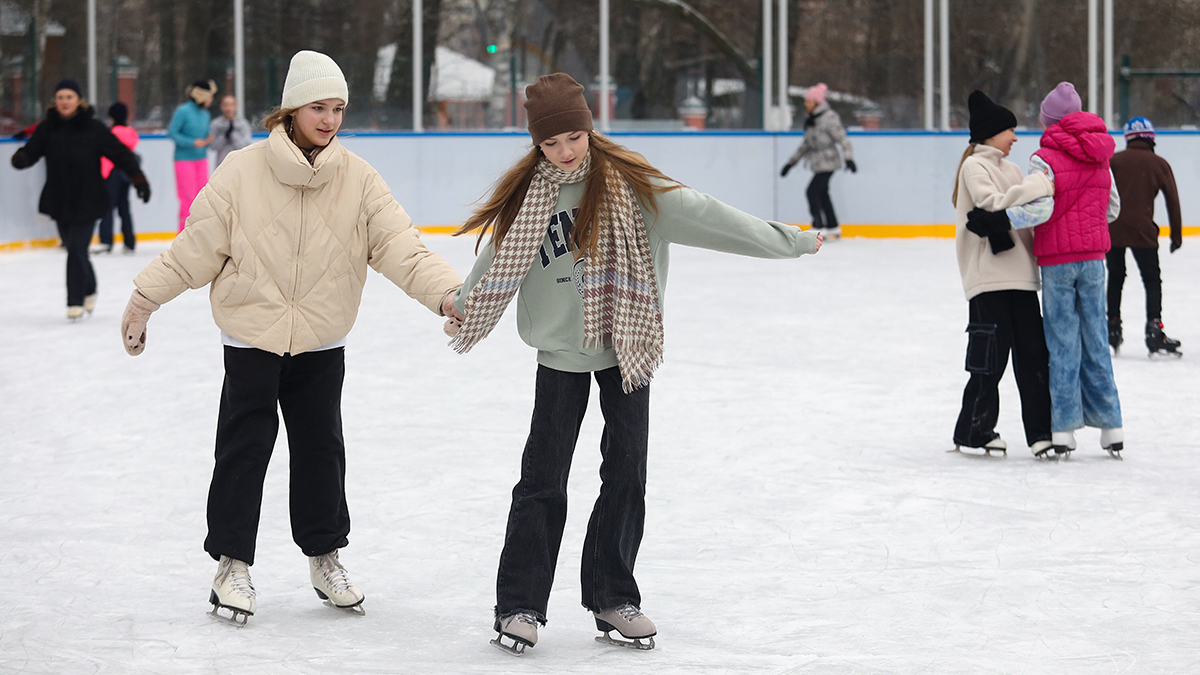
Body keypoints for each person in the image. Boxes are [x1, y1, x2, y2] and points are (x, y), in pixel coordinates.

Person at [446, 73, 822, 654]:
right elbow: (496, 263)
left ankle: (612, 596)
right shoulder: (529, 202)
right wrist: (464, 309)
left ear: (589, 128)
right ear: (537, 145)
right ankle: (519, 604)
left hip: (628, 346)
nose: (566, 152)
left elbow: (715, 219)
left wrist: (788, 239)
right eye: (551, 143)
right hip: (560, 356)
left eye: (574, 136)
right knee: (543, 478)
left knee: (626, 472)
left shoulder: (636, 191)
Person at [120, 50, 463, 625]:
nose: (330, 119)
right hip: (251, 333)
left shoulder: (358, 179)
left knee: (321, 450)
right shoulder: (241, 170)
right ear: (291, 108)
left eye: (338, 108)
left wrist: (448, 296)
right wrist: (144, 298)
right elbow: (195, 247)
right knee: (243, 448)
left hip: (321, 340)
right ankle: (232, 562)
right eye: (318, 107)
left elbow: (403, 248)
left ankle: (325, 555)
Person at [967, 82, 1123, 458]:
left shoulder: (1045, 158)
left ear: (1050, 121)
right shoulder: (1103, 156)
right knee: (1096, 339)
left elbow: (1043, 210)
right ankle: (1111, 426)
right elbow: (1112, 209)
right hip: (1094, 260)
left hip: (1057, 261)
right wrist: (1088, 225)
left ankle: (1064, 429)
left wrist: (1003, 218)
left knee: (1062, 342)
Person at [952, 91, 1055, 458]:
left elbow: (1026, 211)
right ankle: (974, 429)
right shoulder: (974, 166)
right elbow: (992, 205)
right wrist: (1040, 184)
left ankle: (1042, 431)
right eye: (1010, 130)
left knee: (1033, 355)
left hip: (1023, 278)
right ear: (991, 133)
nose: (1015, 137)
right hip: (989, 279)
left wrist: (1032, 191)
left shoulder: (1011, 170)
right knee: (989, 359)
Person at [10, 79, 150, 320]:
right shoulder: (47, 128)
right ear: (56, 101)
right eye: (61, 97)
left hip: (89, 197)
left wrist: (138, 178)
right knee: (78, 250)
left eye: (69, 97)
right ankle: (90, 288)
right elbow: (32, 151)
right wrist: (21, 158)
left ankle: (74, 302)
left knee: (76, 248)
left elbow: (120, 154)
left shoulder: (93, 128)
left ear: (79, 101)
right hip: (59, 199)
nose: (64, 102)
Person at [1106, 116, 1183, 356]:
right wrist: (1176, 235)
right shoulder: (1158, 163)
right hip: (1143, 233)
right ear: (1151, 138)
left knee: (1116, 277)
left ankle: (1112, 327)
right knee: (1151, 280)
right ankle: (1154, 329)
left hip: (1113, 230)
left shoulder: (1113, 161)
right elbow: (1173, 200)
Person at [780, 83, 856, 238]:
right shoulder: (812, 120)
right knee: (822, 193)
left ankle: (818, 225)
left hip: (828, 162)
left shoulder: (829, 118)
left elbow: (843, 139)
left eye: (808, 102)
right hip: (817, 163)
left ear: (817, 102)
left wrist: (849, 158)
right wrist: (790, 163)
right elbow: (806, 145)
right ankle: (833, 225)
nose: (805, 105)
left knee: (812, 191)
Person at [168, 80, 216, 232]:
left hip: (202, 159)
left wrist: (207, 142)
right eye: (209, 96)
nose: (211, 100)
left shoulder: (205, 114)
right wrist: (192, 142)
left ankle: (198, 235)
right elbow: (172, 132)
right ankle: (183, 235)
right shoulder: (183, 111)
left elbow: (204, 138)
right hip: (184, 160)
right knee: (187, 199)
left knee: (201, 199)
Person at [95, 102, 140, 254]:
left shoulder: (112, 133)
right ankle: (130, 242)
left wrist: (103, 174)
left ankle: (106, 241)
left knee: (107, 207)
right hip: (126, 173)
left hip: (112, 173)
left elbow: (108, 157)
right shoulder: (130, 132)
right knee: (124, 208)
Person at [209, 95, 253, 167]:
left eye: (231, 105)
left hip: (239, 164)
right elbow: (213, 147)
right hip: (221, 164)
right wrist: (224, 136)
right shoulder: (216, 124)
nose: (228, 108)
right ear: (221, 106)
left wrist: (233, 135)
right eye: (225, 105)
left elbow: (246, 146)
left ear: (236, 106)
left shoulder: (243, 124)